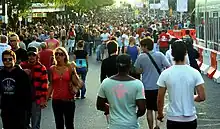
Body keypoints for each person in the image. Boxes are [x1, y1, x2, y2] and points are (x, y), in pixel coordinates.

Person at [157, 41, 206, 129]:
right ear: (186, 53)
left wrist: (160, 114)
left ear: (172, 54)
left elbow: (160, 98)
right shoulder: (195, 73)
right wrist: (193, 97)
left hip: (173, 118)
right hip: (190, 118)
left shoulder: (165, 74)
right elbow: (202, 97)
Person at [96, 54, 146, 129]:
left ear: (117, 65)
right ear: (130, 65)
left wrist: (110, 108)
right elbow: (142, 108)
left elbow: (99, 105)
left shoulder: (106, 83)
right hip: (131, 124)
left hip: (114, 125)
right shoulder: (138, 84)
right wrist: (135, 116)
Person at [135, 37, 170, 129]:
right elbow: (168, 66)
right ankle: (157, 125)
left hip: (146, 87)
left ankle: (151, 127)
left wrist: (143, 70)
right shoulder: (160, 55)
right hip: (159, 86)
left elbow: (137, 70)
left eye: (142, 46)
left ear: (146, 46)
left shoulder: (141, 57)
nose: (141, 48)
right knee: (158, 108)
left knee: (149, 109)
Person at [0, 50, 32, 129]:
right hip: (6, 110)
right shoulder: (1, 74)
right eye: (5, 59)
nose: (7, 61)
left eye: (10, 59)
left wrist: (28, 112)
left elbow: (28, 93)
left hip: (20, 111)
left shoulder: (22, 74)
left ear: (14, 60)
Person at [47, 47, 76, 129]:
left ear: (65, 56)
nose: (58, 56)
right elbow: (51, 85)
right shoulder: (52, 69)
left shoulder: (70, 67)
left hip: (69, 100)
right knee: (59, 124)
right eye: (56, 54)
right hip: (56, 100)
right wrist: (45, 99)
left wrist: (74, 72)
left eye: (61, 54)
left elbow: (76, 82)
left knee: (69, 124)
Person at [20, 47, 48, 129]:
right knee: (24, 122)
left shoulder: (41, 68)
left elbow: (44, 84)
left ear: (37, 56)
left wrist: (43, 99)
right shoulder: (22, 66)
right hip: (24, 99)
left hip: (36, 98)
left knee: (35, 124)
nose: (31, 57)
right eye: (29, 55)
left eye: (33, 55)